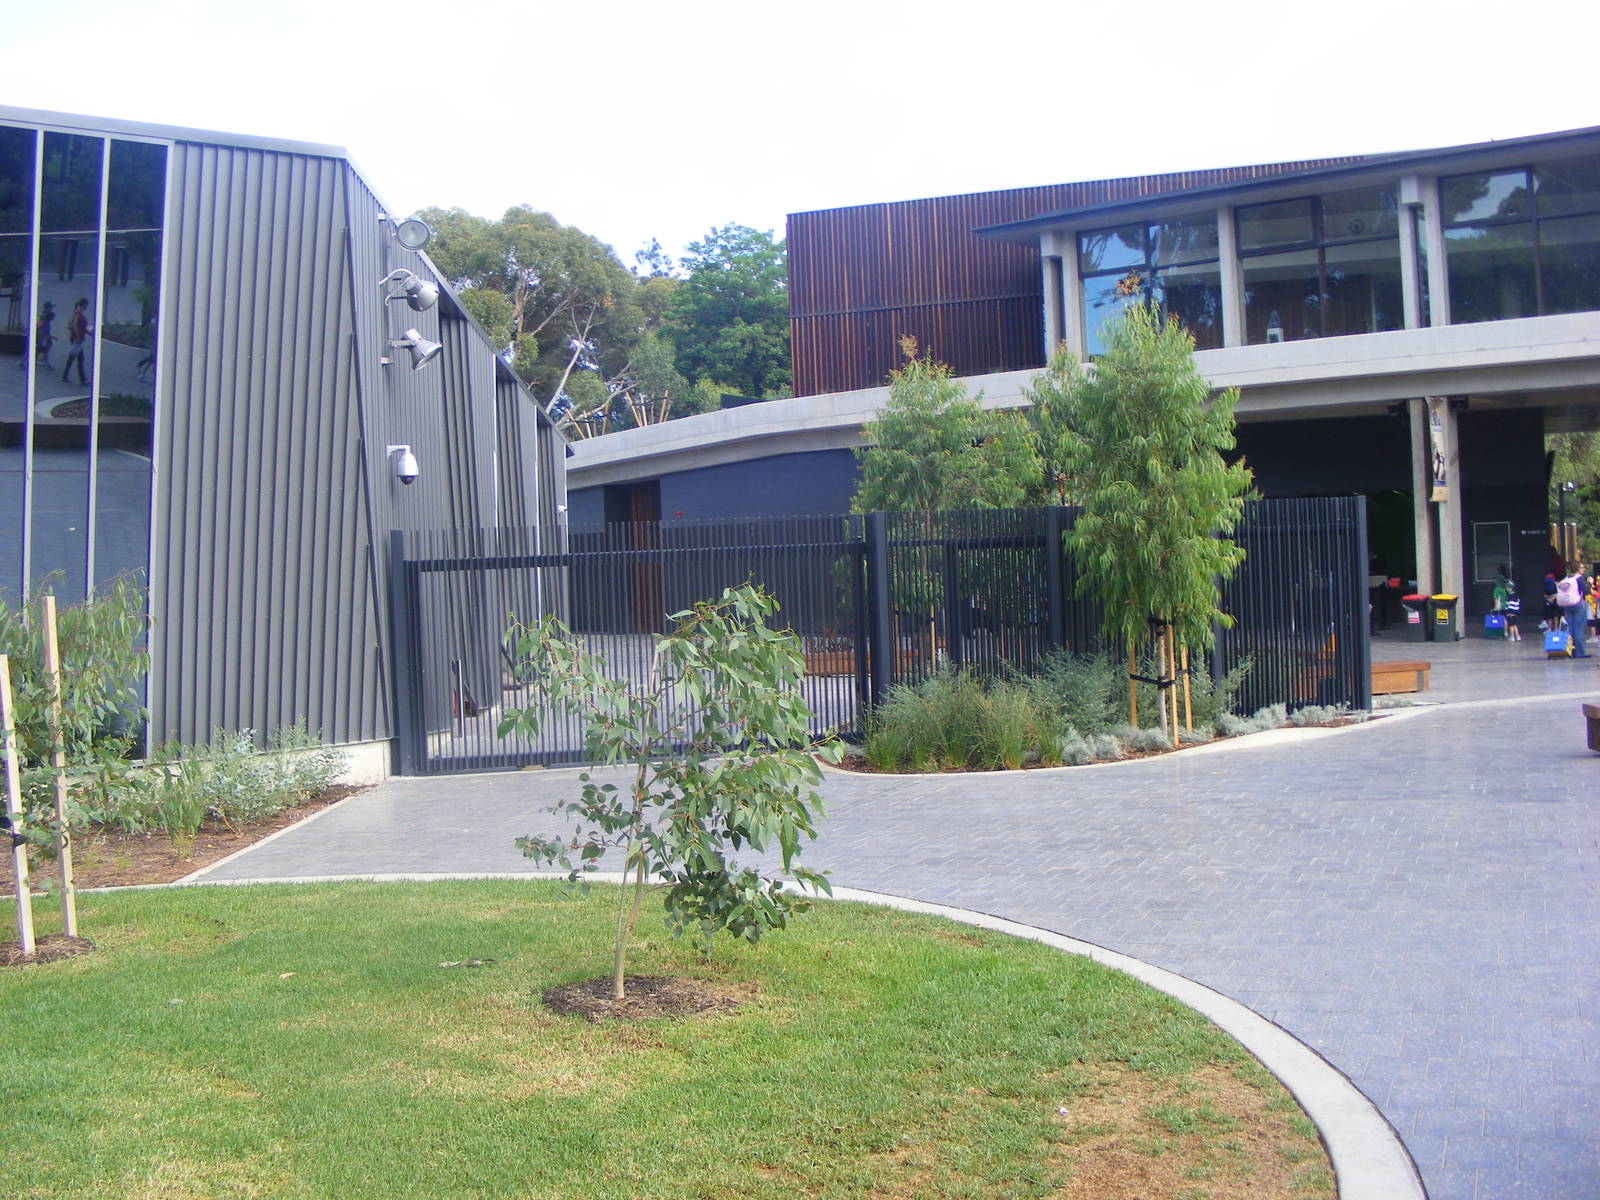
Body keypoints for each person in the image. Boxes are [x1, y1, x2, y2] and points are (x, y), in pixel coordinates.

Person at [1556, 562, 1590, 657]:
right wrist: (1589, 583)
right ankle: (1579, 653)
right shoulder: (1580, 578)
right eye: (1582, 567)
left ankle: (1570, 651)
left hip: (1567, 605)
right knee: (1578, 628)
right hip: (1578, 605)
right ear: (1578, 569)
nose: (1583, 569)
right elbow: (1586, 591)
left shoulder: (1566, 579)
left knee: (1570, 628)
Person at [61, 296, 90, 385]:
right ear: (83, 305)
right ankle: (82, 379)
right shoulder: (78, 314)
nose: (87, 307)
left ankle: (66, 376)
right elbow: (75, 326)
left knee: (74, 358)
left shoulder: (78, 313)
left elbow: (81, 327)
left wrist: (89, 333)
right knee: (78, 359)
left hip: (77, 338)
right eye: (86, 305)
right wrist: (78, 337)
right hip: (76, 339)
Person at [1492, 567, 1522, 642]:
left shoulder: (1498, 589)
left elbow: (1496, 598)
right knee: (1514, 624)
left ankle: (1509, 635)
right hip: (1514, 611)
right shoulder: (1514, 594)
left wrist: (1496, 609)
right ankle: (1517, 636)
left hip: (1506, 609)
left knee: (1509, 623)